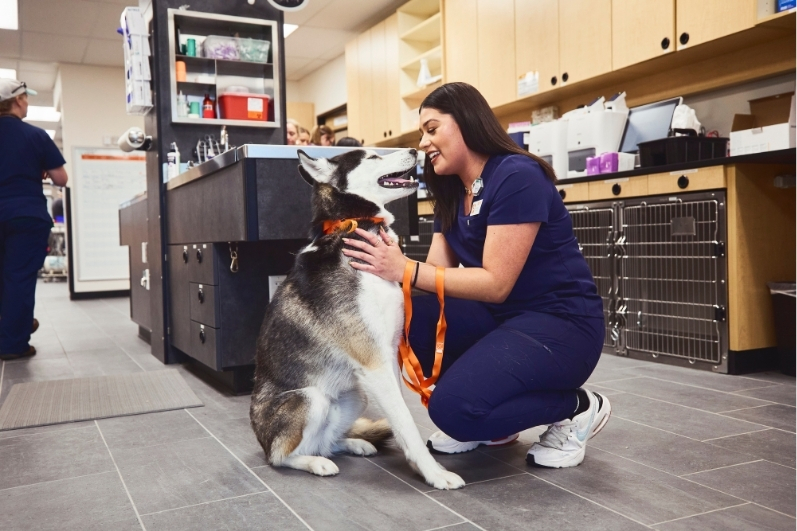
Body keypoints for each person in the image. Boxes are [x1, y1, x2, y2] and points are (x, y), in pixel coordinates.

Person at [341, 82, 609, 469]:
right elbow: (435, 278)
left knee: (455, 412)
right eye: (422, 133)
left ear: (466, 122)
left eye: (432, 129)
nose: (423, 143)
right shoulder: (453, 192)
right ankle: (495, 425)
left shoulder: (517, 176)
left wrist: (404, 267)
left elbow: (496, 284)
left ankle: (578, 407)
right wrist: (382, 269)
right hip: (505, 320)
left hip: (562, 326)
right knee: (414, 314)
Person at [0, 79, 68, 360]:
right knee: (19, 279)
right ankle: (13, 343)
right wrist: (39, 167)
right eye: (26, 98)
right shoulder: (36, 135)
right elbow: (61, 179)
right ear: (18, 100)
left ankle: (10, 328)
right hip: (25, 216)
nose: (27, 103)